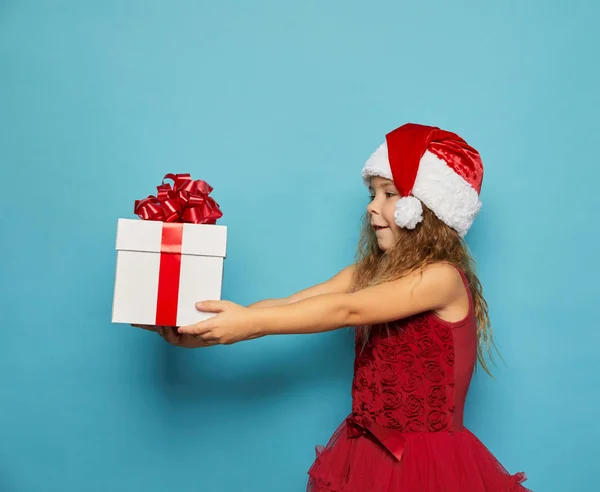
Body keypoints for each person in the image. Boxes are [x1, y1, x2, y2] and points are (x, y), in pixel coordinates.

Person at [136, 123, 530, 491]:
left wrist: (250, 324)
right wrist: (196, 330)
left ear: (423, 208)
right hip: (366, 454)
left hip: (426, 464)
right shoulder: (366, 272)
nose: (373, 207)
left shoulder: (441, 278)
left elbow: (348, 311)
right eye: (372, 194)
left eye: (389, 194)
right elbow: (294, 303)